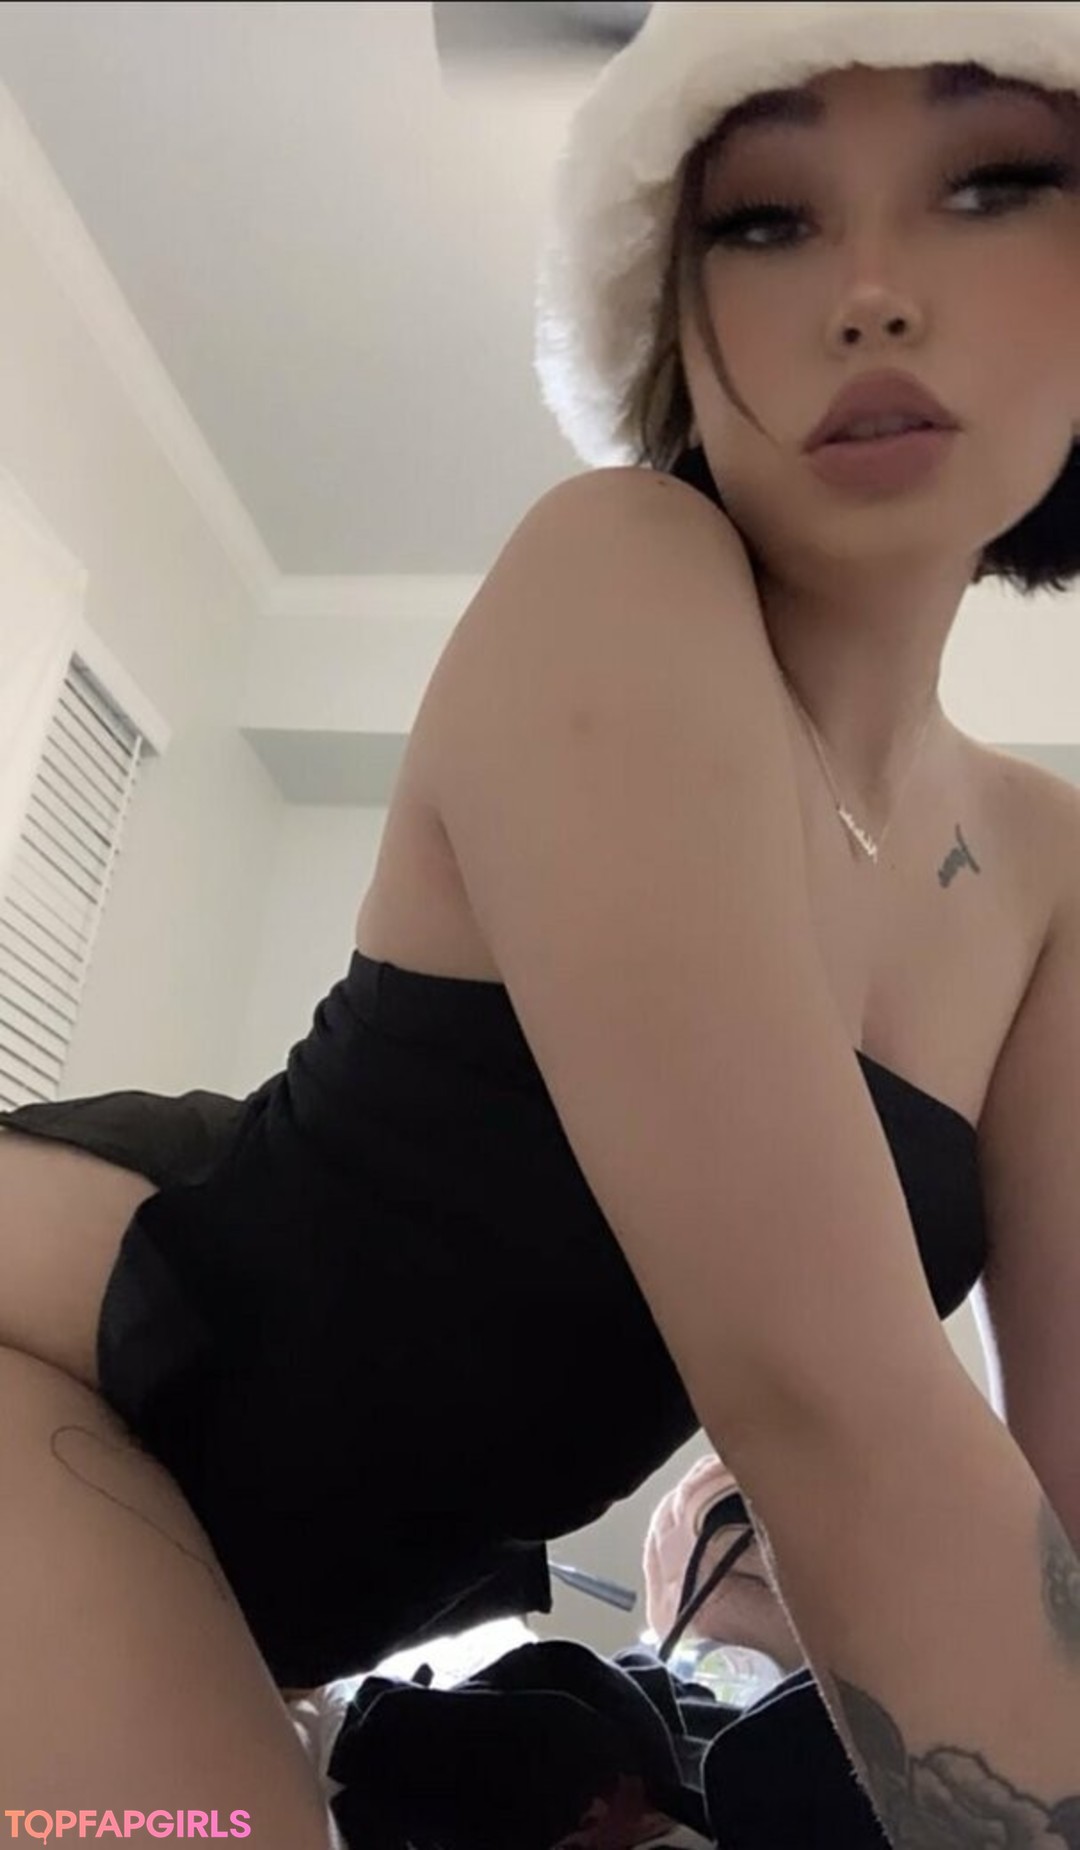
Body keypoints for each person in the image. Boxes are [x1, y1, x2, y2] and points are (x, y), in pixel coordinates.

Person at [1, 2, 1079, 1843]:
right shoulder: (621, 574)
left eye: (989, 187)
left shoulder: (1045, 864)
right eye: (767, 218)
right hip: (68, 1387)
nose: (874, 293)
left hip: (296, 1599)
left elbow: (1052, 1510)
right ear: (669, 311)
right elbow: (830, 1411)